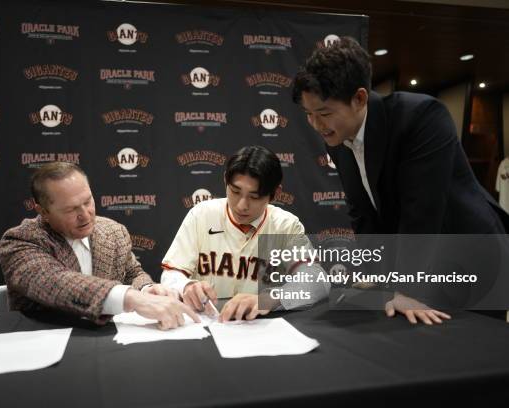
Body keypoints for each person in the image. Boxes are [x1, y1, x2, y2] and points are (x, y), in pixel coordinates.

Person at [292, 36, 509, 324]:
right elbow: (364, 214)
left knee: (473, 351)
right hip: (421, 265)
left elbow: (423, 211)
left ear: (359, 98)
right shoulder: (337, 137)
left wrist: (407, 288)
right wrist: (376, 275)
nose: (316, 125)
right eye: (309, 114)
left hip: (469, 256)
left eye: (324, 113)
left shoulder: (421, 117)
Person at [0, 162, 199, 330]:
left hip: (108, 343)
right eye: (70, 209)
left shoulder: (113, 231)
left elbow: (132, 273)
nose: (85, 215)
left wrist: (146, 289)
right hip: (44, 344)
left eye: (87, 201)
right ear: (43, 211)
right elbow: (54, 282)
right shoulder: (21, 240)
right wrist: (131, 298)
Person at [161, 146, 329, 322]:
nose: (242, 205)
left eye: (254, 197)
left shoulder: (286, 225)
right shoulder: (202, 214)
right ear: (225, 180)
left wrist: (269, 299)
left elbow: (318, 280)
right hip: (206, 324)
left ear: (275, 194)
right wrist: (186, 285)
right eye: (235, 192)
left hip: (259, 328)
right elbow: (171, 274)